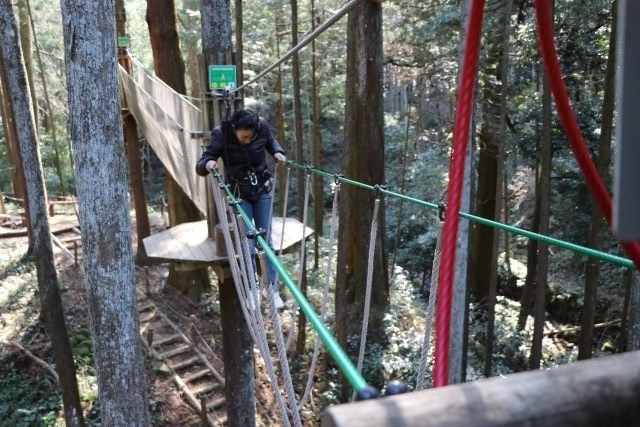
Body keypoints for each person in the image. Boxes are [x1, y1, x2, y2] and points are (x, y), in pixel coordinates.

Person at [196, 108, 286, 309]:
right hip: (238, 194)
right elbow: (202, 162)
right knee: (248, 244)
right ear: (234, 129)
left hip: (261, 189)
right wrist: (209, 163)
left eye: (251, 137)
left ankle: (272, 289)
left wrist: (278, 152)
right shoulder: (222, 134)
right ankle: (252, 289)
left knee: (266, 241)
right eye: (244, 137)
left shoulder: (261, 126)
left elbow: (271, 142)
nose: (247, 140)